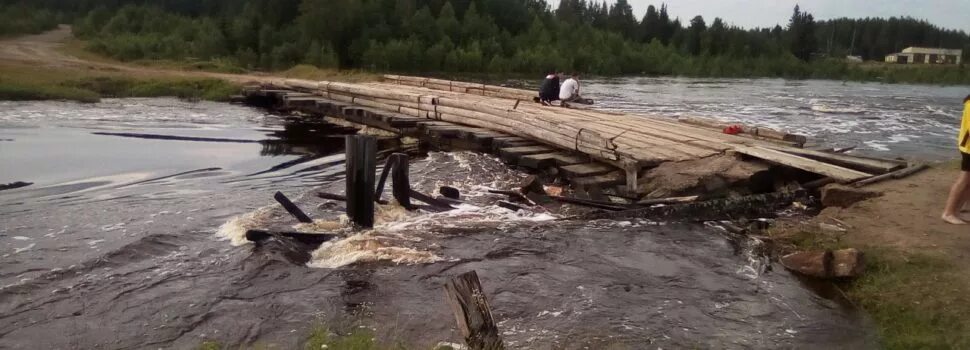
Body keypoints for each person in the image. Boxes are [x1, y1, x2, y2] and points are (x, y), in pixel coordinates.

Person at [941, 94, 970, 225]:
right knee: (963, 181)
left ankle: (955, 212)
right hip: (969, 148)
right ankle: (948, 213)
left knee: (968, 182)